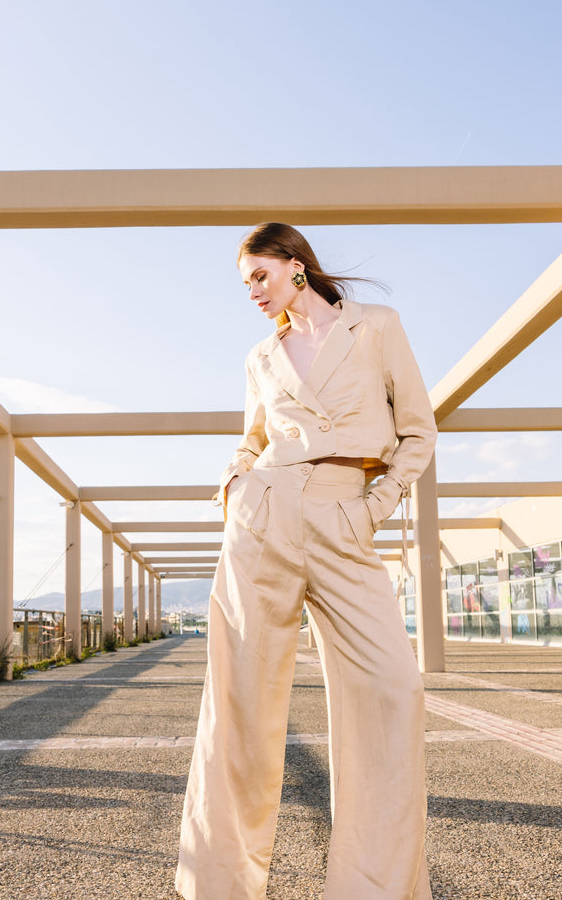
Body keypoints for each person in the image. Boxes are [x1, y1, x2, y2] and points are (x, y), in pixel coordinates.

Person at [175, 223, 438, 900]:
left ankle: (374, 889)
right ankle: (221, 886)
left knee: (393, 689)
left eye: (258, 276)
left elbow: (418, 429)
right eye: (244, 285)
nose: (252, 293)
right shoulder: (262, 357)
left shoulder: (376, 326)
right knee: (238, 699)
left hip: (344, 514)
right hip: (262, 518)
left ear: (295, 266)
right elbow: (251, 438)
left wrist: (375, 506)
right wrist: (234, 487)